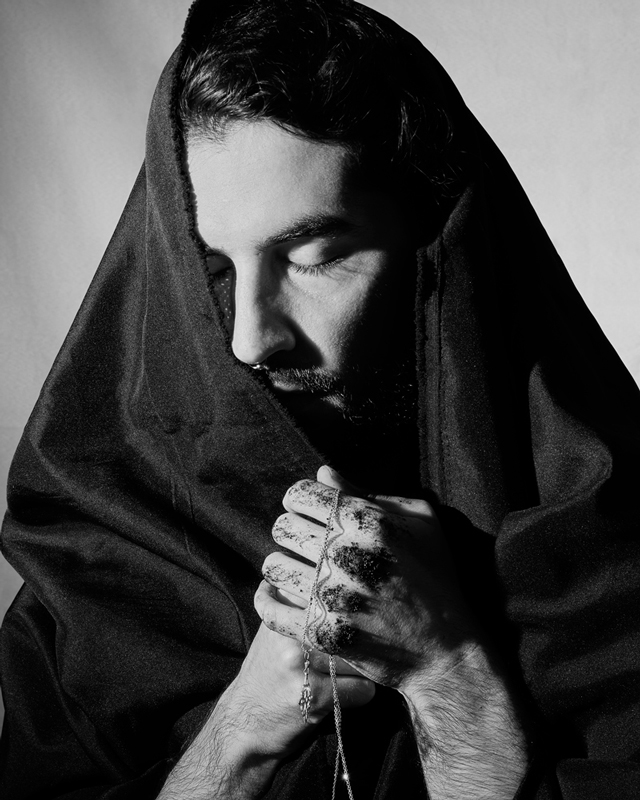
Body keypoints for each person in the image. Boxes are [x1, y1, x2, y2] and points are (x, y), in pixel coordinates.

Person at [1, 1, 640, 798]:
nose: (249, 340)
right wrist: (242, 729)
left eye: (312, 257)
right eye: (215, 274)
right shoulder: (98, 558)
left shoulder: (606, 541)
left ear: (435, 242)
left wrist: (451, 676)